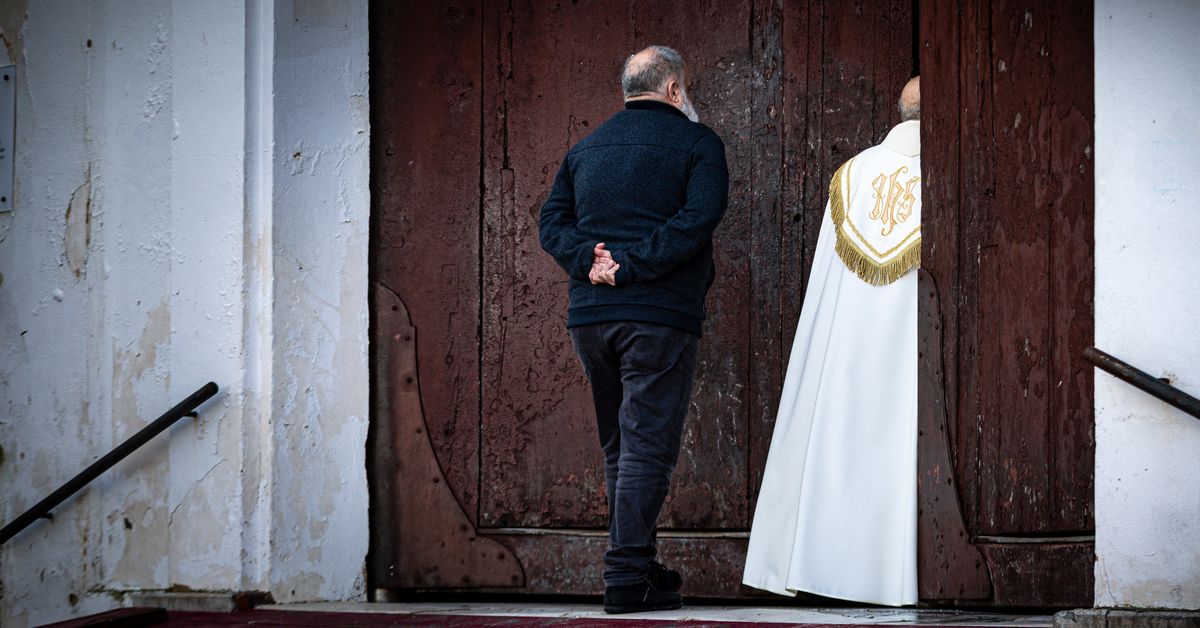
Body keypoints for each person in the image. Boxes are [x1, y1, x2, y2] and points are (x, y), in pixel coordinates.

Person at [538, 45, 729, 614]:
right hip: (658, 316)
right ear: (674, 89)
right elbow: (698, 217)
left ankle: (639, 566)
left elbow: (552, 222)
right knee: (646, 447)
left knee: (621, 447)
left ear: (629, 89)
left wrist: (588, 261)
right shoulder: (699, 143)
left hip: (591, 319)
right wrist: (632, 265)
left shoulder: (586, 147)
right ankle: (624, 579)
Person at [743, 77, 923, 606]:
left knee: (836, 428)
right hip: (912, 335)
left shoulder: (852, 174)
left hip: (845, 341)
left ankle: (825, 561)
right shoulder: (950, 170)